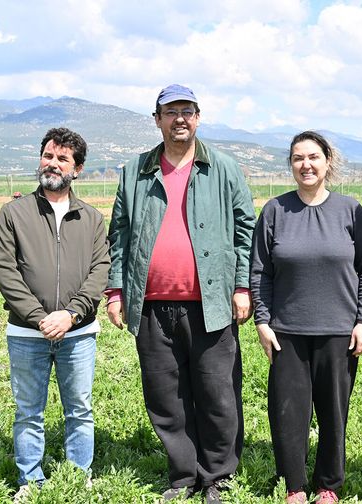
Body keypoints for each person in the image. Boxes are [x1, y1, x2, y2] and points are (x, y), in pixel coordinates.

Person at [105, 84, 255, 503]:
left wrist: (242, 286)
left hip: (211, 302)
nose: (179, 119)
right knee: (165, 395)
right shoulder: (134, 171)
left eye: (187, 111)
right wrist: (116, 289)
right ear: (157, 120)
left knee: (217, 392)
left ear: (198, 117)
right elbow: (119, 234)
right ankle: (183, 474)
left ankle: (218, 475)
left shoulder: (223, 168)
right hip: (151, 304)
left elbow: (247, 230)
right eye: (170, 112)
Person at [250, 131, 362, 504]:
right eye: (298, 158)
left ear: (327, 162)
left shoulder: (350, 211)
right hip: (287, 331)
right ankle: (295, 486)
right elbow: (260, 271)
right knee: (288, 414)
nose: (306, 164)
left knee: (334, 414)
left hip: (339, 331)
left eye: (313, 157)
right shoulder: (274, 210)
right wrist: (263, 321)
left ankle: (328, 485)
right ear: (290, 165)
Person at [0, 127, 110, 501]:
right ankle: (30, 480)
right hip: (27, 335)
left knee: (80, 409)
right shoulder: (14, 213)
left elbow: (100, 271)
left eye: (62, 158)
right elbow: (4, 270)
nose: (52, 163)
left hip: (78, 333)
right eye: (47, 155)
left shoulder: (91, 219)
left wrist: (71, 315)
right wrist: (39, 317)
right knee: (28, 411)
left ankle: (79, 474)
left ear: (78, 169)